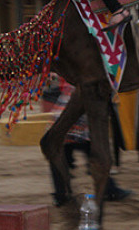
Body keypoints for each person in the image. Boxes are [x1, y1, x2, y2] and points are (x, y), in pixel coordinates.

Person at [42, 74, 132, 202]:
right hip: (77, 125)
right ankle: (109, 190)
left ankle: (61, 195)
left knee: (60, 160)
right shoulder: (85, 79)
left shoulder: (71, 77)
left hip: (63, 123)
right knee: (96, 156)